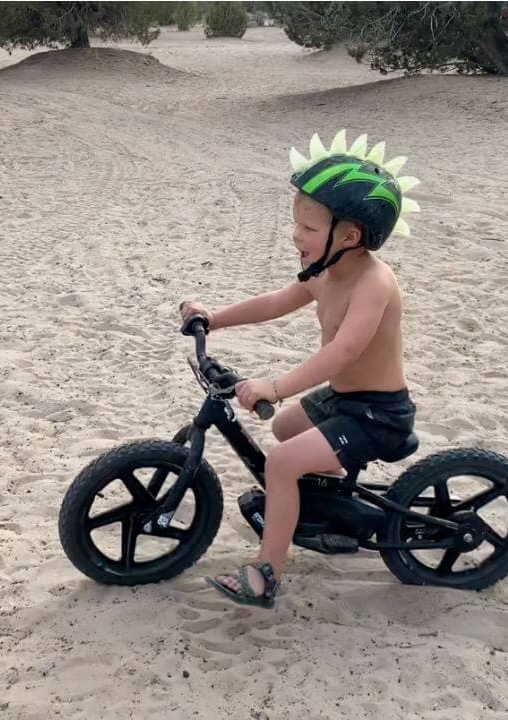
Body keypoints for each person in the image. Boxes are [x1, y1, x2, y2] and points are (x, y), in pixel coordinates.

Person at [179, 130, 422, 608]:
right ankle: (329, 508)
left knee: (281, 463)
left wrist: (277, 384)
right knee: (288, 428)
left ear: (349, 236)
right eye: (296, 225)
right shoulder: (326, 272)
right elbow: (277, 301)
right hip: (344, 399)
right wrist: (215, 316)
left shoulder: (374, 282)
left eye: (308, 230)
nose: (296, 236)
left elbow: (344, 353)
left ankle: (266, 574)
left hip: (377, 414)